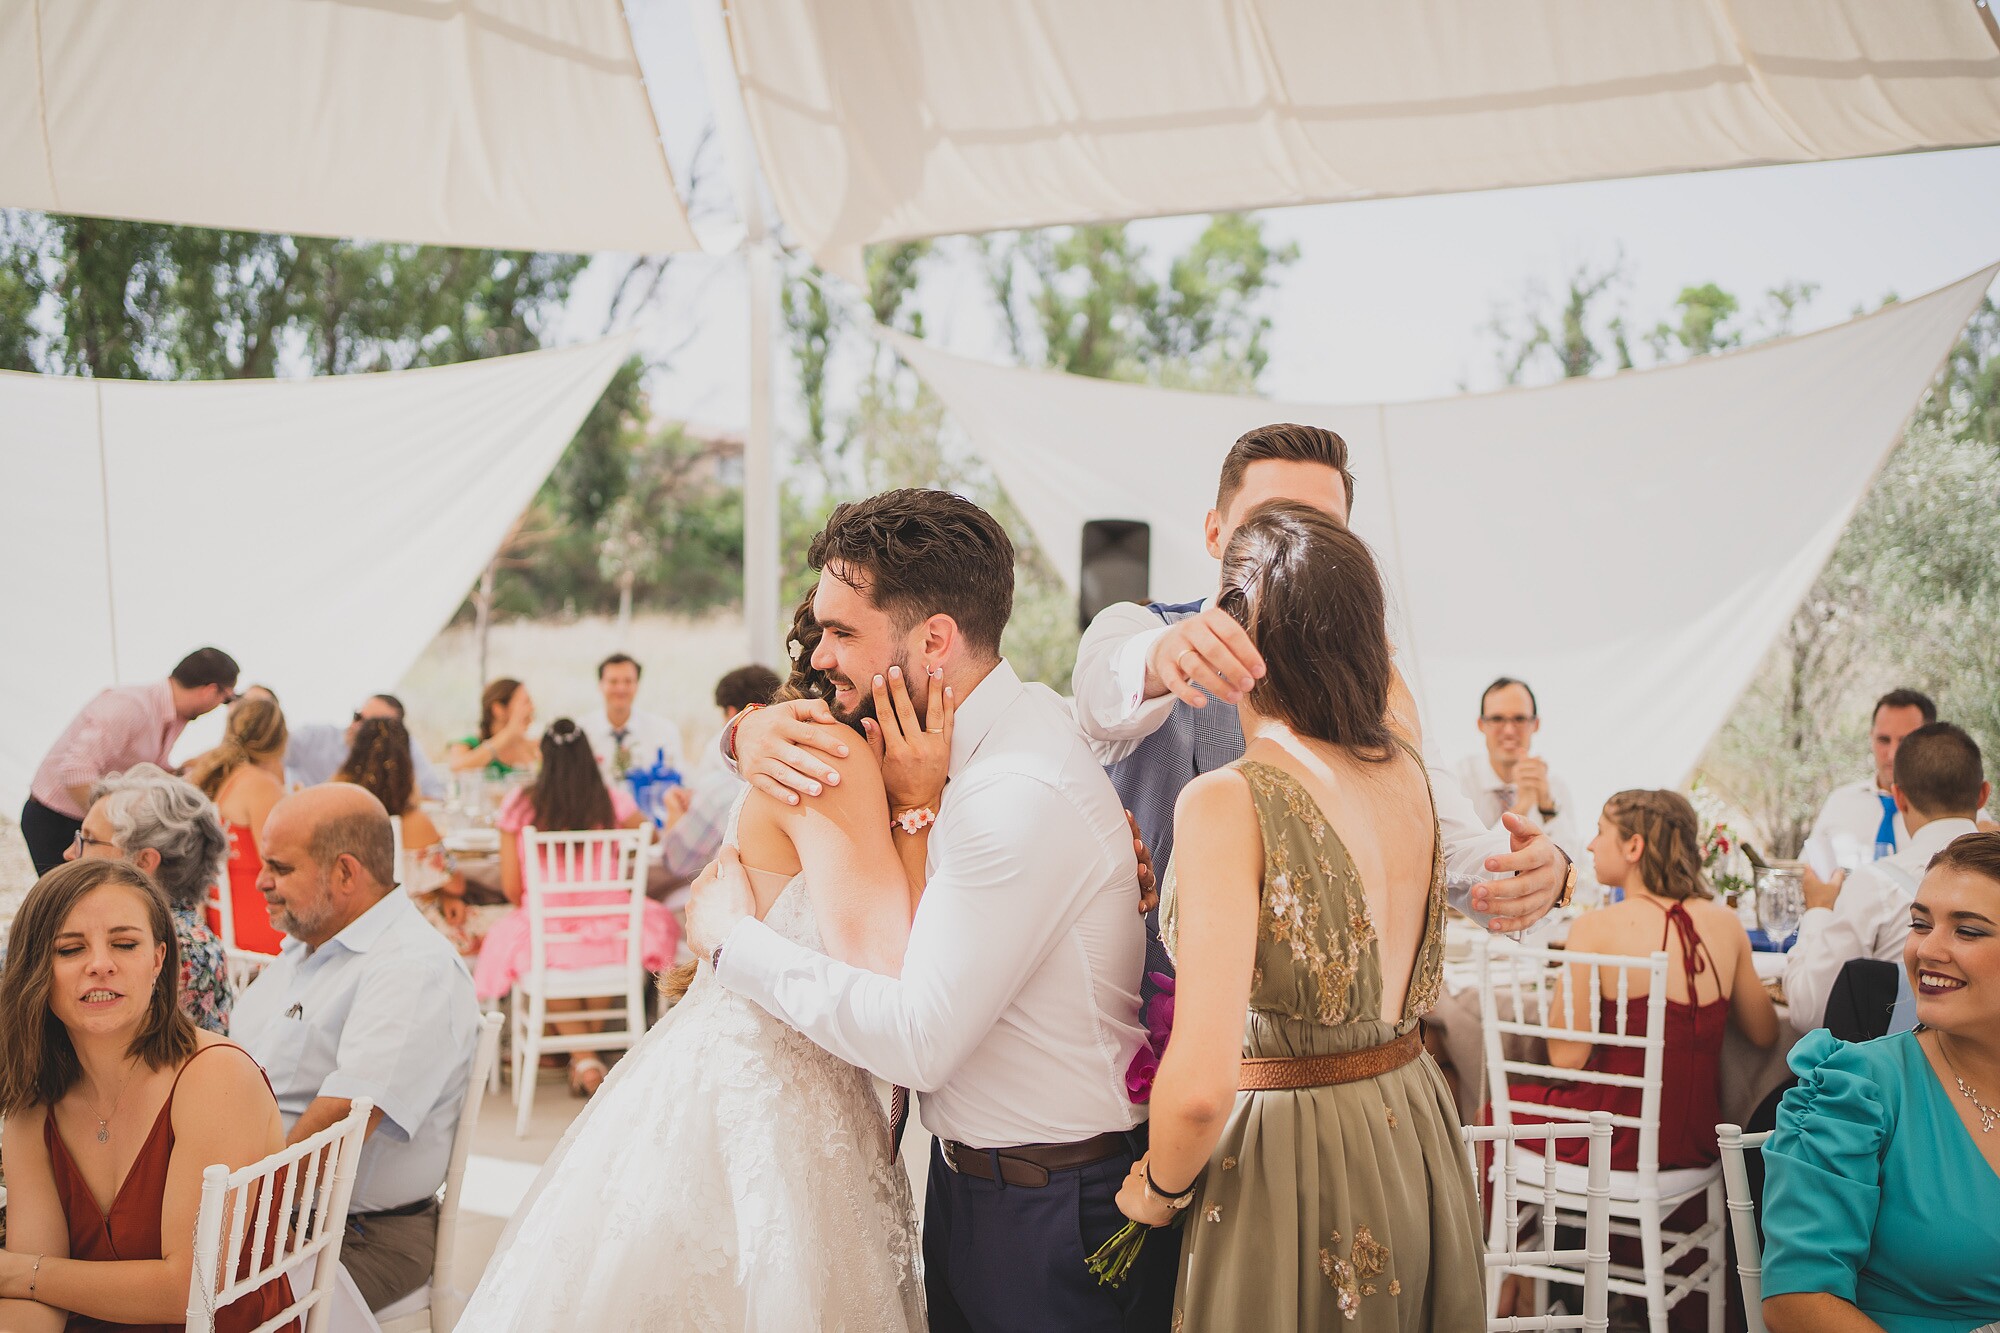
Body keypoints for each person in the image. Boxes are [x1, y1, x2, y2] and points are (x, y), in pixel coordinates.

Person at [687, 488, 1173, 1331]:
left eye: (843, 632)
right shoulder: (977, 740)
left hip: (1050, 1213)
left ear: (935, 641)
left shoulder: (1009, 794)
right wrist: (745, 733)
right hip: (976, 1188)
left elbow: (918, 1041)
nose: (819, 652)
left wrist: (734, 943)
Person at [455, 593, 948, 1331]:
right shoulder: (830, 758)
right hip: (772, 1089)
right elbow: (891, 965)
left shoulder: (812, 746)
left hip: (767, 1068)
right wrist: (917, 808)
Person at [1113, 502, 1485, 1328]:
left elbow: (1202, 1086)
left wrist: (1160, 1187)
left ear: (1242, 635)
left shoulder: (1226, 802)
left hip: (1293, 1159)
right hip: (1414, 1128)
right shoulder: (1411, 773)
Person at [1061, 424, 1568, 960]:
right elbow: (1100, 696)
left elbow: (1444, 833)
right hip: (1155, 1015)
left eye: (1320, 527)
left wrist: (1541, 872)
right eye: (1267, 519)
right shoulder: (1134, 629)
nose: (1291, 543)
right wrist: (1162, 655)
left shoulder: (1374, 683)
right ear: (1215, 533)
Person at [0, 859, 295, 1332]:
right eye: (70, 949)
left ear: (158, 960)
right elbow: (30, 1301)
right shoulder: (33, 1101)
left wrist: (20, 1272)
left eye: (125, 944)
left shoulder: (215, 1077)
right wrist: (23, 1280)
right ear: (37, 968)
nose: (101, 964)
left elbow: (187, 1292)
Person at [230, 784, 480, 1314]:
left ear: (345, 873)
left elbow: (341, 1122)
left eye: (281, 867)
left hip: (353, 1234)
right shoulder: (309, 944)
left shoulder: (411, 966)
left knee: (174, 1305)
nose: (261, 881)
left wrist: (231, 1217)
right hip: (272, 1208)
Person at [1760, 832, 2000, 1333]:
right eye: (1920, 924)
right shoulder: (1856, 1088)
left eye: (1968, 931)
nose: (1927, 949)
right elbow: (1797, 1299)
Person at [1515, 790, 1778, 1170]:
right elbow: (1765, 1033)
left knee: (1489, 1112)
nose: (1590, 845)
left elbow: (1567, 1058)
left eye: (1600, 831)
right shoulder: (1725, 923)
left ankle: (1538, 1231)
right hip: (1700, 1141)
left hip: (1613, 1140)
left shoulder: (1595, 928)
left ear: (1633, 846)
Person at [470, 719, 678, 1097]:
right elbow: (650, 834)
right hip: (615, 930)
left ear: (544, 760)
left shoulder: (521, 803)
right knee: (597, 952)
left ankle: (581, 1059)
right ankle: (586, 1058)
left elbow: (512, 887)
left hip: (550, 932)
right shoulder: (611, 800)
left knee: (543, 952)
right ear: (588, 757)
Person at [1787, 721, 1987, 1033]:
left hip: (1898, 1074)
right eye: (1921, 926)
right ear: (1983, 794)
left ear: (1899, 797)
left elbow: (1809, 1011)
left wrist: (1818, 910)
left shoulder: (1874, 884)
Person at [20, 647, 239, 875]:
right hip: (56, 820)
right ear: (211, 690)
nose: (218, 707)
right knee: (71, 906)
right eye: (225, 700)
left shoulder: (171, 715)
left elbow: (143, 769)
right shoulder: (130, 707)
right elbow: (75, 773)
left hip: (85, 821)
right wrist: (114, 825)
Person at [64, 764, 234, 1033]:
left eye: (88, 840)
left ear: (142, 862)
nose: (70, 854)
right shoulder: (175, 935)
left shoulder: (179, 949)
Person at [657, 664, 784, 890]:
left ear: (732, 713)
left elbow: (678, 862)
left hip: (727, 889)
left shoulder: (719, 781)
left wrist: (674, 812)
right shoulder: (797, 764)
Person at [185, 694, 290, 955]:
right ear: (280, 740)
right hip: (261, 928)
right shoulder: (260, 785)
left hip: (220, 925)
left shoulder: (217, 778)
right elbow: (282, 862)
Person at [1454, 676, 1585, 860]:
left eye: (1519, 719)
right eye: (1497, 719)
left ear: (1535, 724)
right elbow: (1463, 862)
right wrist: (1522, 806)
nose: (1509, 730)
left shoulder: (1554, 787)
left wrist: (1547, 807)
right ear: (1481, 725)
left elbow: (1573, 867)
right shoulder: (1458, 781)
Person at [1806, 689, 1936, 868]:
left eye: (1905, 741)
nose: (1892, 754)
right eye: (1883, 740)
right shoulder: (1840, 802)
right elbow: (1807, 872)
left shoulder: (1958, 811)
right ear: (1871, 737)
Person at [287, 693, 445, 799]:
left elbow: (435, 796)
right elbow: (269, 750)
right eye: (358, 716)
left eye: (372, 726)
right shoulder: (314, 737)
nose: (358, 726)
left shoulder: (405, 752)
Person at [577, 652, 684, 784]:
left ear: (637, 685)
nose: (621, 688)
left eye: (628, 681)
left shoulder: (664, 731)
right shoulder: (581, 732)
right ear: (600, 685)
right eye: (613, 681)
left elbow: (677, 782)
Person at [447, 678, 538, 776]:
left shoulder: (534, 747)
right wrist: (509, 733)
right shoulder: (468, 745)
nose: (532, 707)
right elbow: (456, 768)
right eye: (526, 702)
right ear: (498, 709)